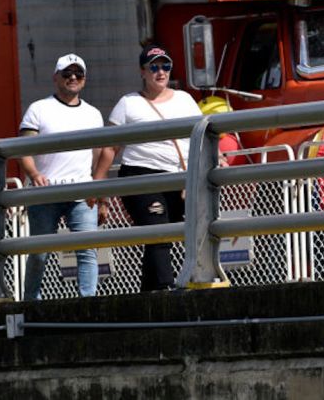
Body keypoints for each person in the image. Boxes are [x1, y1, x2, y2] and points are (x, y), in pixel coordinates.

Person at [108, 42, 203, 291]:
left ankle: (149, 294)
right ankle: (165, 287)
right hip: (141, 174)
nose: (161, 72)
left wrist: (215, 158)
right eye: (154, 67)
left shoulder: (185, 99)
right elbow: (108, 147)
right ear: (142, 71)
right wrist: (98, 188)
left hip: (180, 177)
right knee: (158, 232)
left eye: (166, 66)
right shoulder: (128, 103)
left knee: (169, 235)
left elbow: (201, 135)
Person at [18, 53, 113, 300]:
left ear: (84, 79)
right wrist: (34, 174)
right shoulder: (38, 109)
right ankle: (31, 303)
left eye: (78, 74)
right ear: (55, 77)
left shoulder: (93, 113)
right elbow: (22, 149)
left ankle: (88, 301)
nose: (73, 78)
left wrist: (99, 191)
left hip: (82, 191)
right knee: (40, 253)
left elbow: (101, 153)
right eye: (67, 74)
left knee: (87, 251)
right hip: (45, 191)